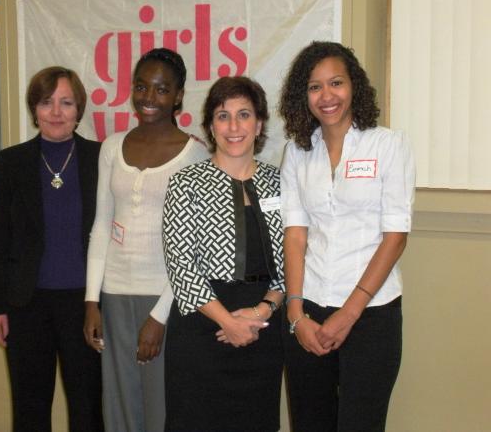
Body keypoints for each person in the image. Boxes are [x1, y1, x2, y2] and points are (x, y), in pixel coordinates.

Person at [279, 41, 416, 432]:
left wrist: (350, 313)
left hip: (371, 315)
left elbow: (395, 237)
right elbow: (295, 237)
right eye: (314, 87)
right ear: (301, 96)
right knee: (310, 422)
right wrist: (295, 315)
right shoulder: (298, 153)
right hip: (309, 312)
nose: (327, 96)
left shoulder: (388, 145)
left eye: (336, 83)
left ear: (353, 84)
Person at [84, 48, 208, 432]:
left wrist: (160, 315)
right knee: (119, 406)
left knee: (162, 409)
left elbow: (193, 248)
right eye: (141, 87)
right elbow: (103, 224)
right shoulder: (111, 147)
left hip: (166, 297)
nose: (148, 98)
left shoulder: (195, 153)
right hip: (115, 293)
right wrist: (92, 301)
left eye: (160, 89)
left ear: (179, 95)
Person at [162, 76, 286, 432]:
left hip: (263, 327)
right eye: (222, 115)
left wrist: (263, 311)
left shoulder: (281, 183)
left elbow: (293, 261)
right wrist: (229, 322)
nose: (234, 126)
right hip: (202, 326)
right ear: (211, 126)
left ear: (259, 124)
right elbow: (181, 267)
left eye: (244, 114)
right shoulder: (185, 183)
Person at [0, 66, 103, 432]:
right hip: (26, 304)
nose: (56, 111)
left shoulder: (101, 158)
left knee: (88, 407)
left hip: (85, 306)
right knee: (30, 407)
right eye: (47, 102)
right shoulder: (12, 162)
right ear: (34, 108)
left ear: (79, 109)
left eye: (66, 102)